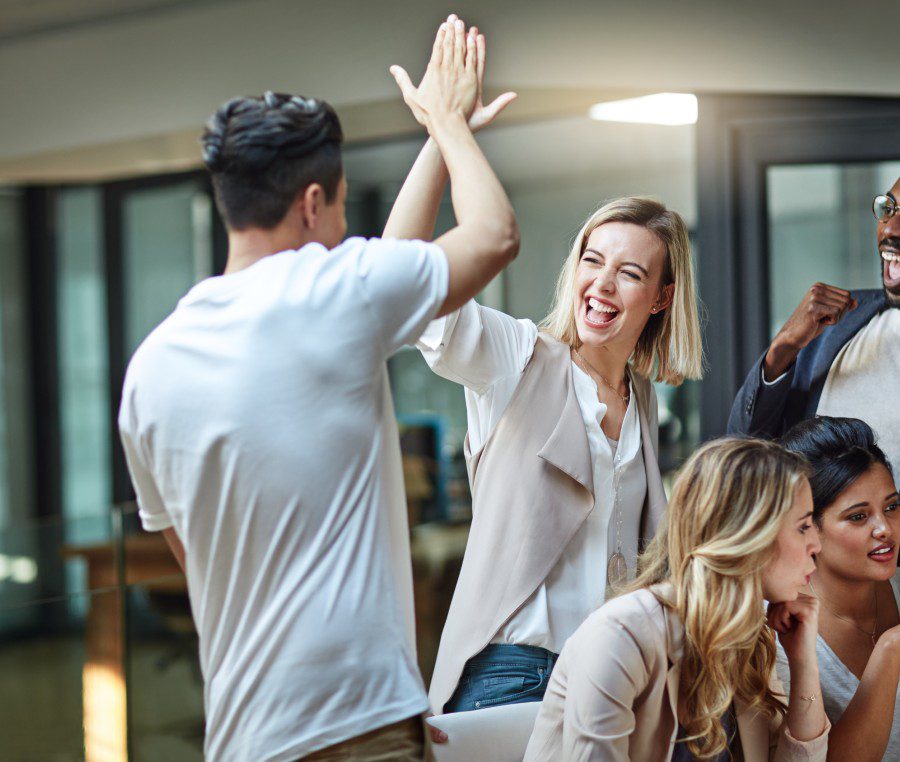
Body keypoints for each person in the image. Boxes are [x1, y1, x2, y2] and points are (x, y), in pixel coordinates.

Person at [117, 18, 519, 762]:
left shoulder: (150, 367)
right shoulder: (336, 291)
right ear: (311, 203)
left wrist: (439, 137)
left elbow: (194, 557)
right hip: (354, 723)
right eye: (337, 208)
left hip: (244, 736)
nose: (342, 230)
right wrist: (446, 124)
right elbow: (493, 235)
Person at [384, 71, 704, 720]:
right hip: (514, 670)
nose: (602, 284)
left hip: (614, 676)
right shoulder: (517, 357)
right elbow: (401, 277)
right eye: (593, 259)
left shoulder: (643, 401)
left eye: (630, 272)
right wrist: (443, 134)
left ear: (663, 297)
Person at [524, 437, 829, 761]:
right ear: (748, 535)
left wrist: (803, 661)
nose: (816, 544)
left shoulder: (742, 640)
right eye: (804, 526)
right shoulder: (622, 634)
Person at [728, 177, 900, 478]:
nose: (890, 228)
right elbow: (744, 447)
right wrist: (783, 346)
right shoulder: (838, 325)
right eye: (889, 209)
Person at [779, 416, 900, 761]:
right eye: (858, 517)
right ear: (807, 526)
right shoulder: (780, 631)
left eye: (892, 507)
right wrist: (890, 648)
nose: (884, 529)